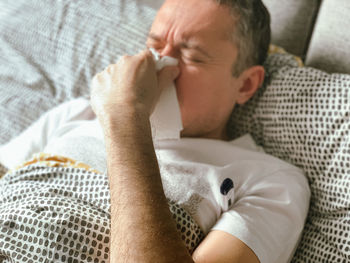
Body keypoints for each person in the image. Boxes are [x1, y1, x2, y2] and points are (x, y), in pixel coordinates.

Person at [0, 0, 310, 262]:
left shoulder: (271, 182)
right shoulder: (78, 113)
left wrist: (125, 120)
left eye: (191, 56)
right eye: (154, 45)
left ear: (245, 85)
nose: (160, 64)